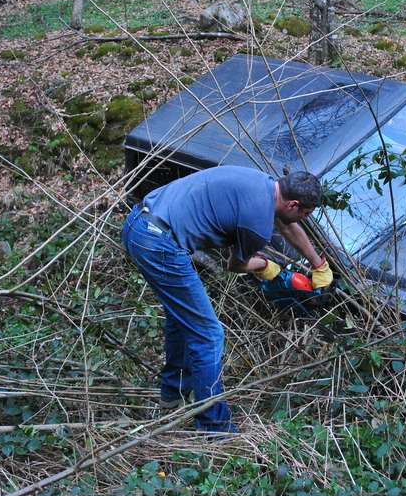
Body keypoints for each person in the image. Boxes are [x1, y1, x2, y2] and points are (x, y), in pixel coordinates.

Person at [121, 165, 333, 433]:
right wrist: (266, 266)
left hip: (137, 224)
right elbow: (235, 265)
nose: (302, 218)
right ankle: (215, 428)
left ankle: (172, 393)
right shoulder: (256, 223)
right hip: (159, 245)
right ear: (293, 204)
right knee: (209, 336)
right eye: (304, 213)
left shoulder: (263, 183)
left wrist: (318, 264)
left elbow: (288, 226)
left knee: (183, 319)